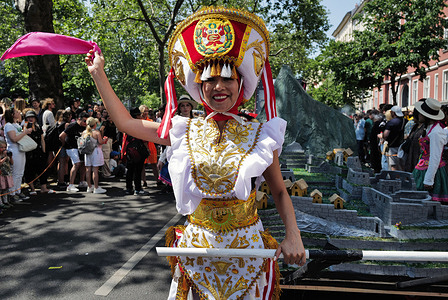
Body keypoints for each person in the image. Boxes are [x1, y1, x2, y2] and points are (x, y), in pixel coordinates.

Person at [86, 7, 305, 299]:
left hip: (248, 253)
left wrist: (294, 236)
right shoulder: (183, 130)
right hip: (196, 250)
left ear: (241, 83)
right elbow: (126, 123)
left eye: (227, 78)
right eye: (209, 80)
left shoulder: (261, 133)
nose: (219, 87)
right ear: (199, 87)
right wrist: (99, 74)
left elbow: (279, 192)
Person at [412, 98, 448, 203]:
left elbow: (435, 157)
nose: (418, 115)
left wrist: (429, 179)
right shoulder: (428, 128)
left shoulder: (436, 132)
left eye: (421, 113)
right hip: (423, 168)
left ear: (426, 116)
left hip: (432, 172)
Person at [4, 108, 31, 202]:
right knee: (15, 172)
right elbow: (14, 139)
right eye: (16, 112)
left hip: (21, 149)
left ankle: (17, 191)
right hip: (14, 150)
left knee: (20, 172)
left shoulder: (16, 124)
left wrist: (25, 132)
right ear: (11, 115)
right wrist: (24, 133)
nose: (18, 113)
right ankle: (12, 194)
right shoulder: (8, 125)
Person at [23, 110, 54, 195]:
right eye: (28, 117)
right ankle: (32, 189)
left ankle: (43, 188)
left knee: (42, 169)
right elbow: (23, 134)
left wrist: (44, 152)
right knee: (29, 170)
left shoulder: (38, 127)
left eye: (32, 117)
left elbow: (42, 140)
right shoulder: (25, 125)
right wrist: (27, 127)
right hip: (28, 151)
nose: (30, 119)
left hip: (38, 151)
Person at [120, 108, 148, 196]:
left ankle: (129, 188)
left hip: (129, 151)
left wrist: (123, 152)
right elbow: (144, 138)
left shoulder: (126, 124)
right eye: (139, 115)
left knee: (130, 170)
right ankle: (138, 189)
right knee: (138, 170)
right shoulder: (140, 124)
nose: (140, 116)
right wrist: (147, 149)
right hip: (139, 150)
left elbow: (124, 139)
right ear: (137, 116)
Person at [59, 112, 89, 192]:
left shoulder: (84, 127)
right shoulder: (73, 125)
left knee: (83, 163)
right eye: (84, 121)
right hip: (71, 147)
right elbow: (62, 136)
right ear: (79, 119)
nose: (85, 123)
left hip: (80, 148)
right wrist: (65, 144)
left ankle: (81, 181)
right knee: (77, 164)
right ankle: (71, 185)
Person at [82, 117, 107, 194]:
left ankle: (89, 187)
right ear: (94, 124)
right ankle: (96, 187)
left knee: (88, 169)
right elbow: (100, 142)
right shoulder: (96, 133)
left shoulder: (84, 132)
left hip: (87, 152)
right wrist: (105, 140)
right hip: (95, 151)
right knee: (95, 170)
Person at [378, 106, 405, 171]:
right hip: (403, 146)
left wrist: (381, 136)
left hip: (392, 146)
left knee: (393, 164)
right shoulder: (405, 121)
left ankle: (395, 179)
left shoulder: (392, 122)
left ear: (393, 113)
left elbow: (386, 134)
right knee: (402, 165)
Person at [139, 104, 159, 187]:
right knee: (142, 164)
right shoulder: (138, 121)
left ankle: (158, 180)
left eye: (147, 111)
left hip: (150, 143)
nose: (146, 113)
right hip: (141, 144)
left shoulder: (150, 121)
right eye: (144, 111)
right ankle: (144, 182)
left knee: (154, 163)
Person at [0, 140, 14, 209]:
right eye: (2, 147)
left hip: (7, 174)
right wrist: (5, 157)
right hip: (1, 174)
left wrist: (10, 157)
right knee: (0, 189)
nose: (4, 149)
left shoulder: (7, 155)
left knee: (6, 188)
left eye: (5, 147)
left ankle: (6, 201)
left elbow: (12, 163)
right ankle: (1, 203)